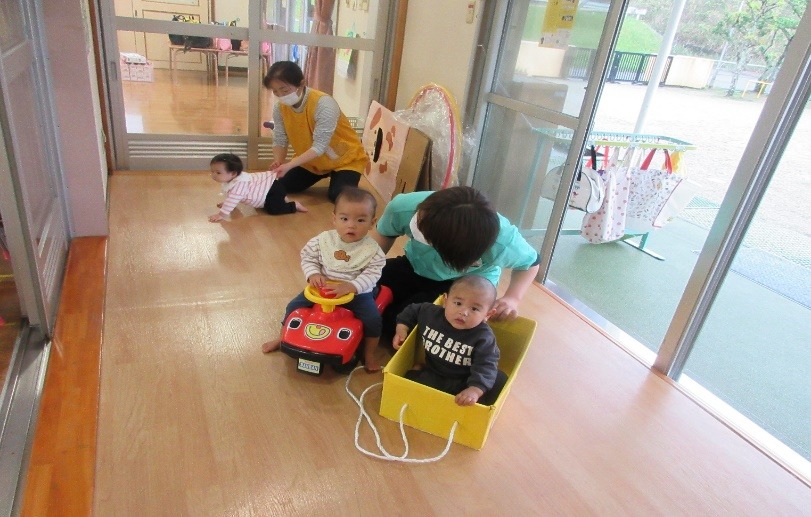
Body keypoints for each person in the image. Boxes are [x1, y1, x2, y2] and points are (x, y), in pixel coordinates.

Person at [371, 186, 541, 341]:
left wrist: (512, 298)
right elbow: (385, 233)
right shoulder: (405, 207)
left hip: (467, 284)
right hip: (415, 263)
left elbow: (532, 262)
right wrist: (368, 269)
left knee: (406, 327)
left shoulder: (503, 241)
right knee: (363, 294)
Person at [262, 187, 386, 372]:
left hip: (356, 293)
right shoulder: (322, 241)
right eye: (344, 219)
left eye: (360, 220)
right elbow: (308, 257)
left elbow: (373, 274)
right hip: (322, 289)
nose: (351, 225)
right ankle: (283, 338)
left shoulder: (373, 251)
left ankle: (368, 355)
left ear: (372, 222)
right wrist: (313, 274)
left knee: (373, 319)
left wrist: (352, 286)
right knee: (293, 306)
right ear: (334, 218)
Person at [392, 275, 507, 406]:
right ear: (445, 301)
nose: (463, 312)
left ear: (487, 315)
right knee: (410, 386)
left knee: (499, 380)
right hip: (435, 372)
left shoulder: (484, 337)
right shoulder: (431, 313)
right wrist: (401, 329)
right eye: (458, 303)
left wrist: (475, 390)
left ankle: (422, 371)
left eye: (474, 309)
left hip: (465, 379)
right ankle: (418, 370)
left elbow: (486, 364)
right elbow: (412, 310)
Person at [263, 61, 368, 203]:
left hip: (345, 160)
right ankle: (323, 173)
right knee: (281, 184)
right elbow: (280, 138)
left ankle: (342, 177)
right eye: (275, 91)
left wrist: (290, 165)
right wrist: (279, 162)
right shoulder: (279, 108)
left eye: (285, 90)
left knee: (339, 195)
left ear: (301, 83)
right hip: (311, 162)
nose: (280, 96)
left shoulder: (324, 103)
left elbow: (320, 146)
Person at [208, 153, 307, 222]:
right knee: (264, 207)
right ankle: (282, 198)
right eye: (212, 171)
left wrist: (221, 215)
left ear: (233, 173)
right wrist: (227, 203)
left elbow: (233, 198)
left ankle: (294, 205)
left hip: (272, 190)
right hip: (270, 187)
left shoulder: (238, 184)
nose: (213, 175)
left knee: (273, 210)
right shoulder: (233, 179)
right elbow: (233, 197)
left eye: (218, 173)